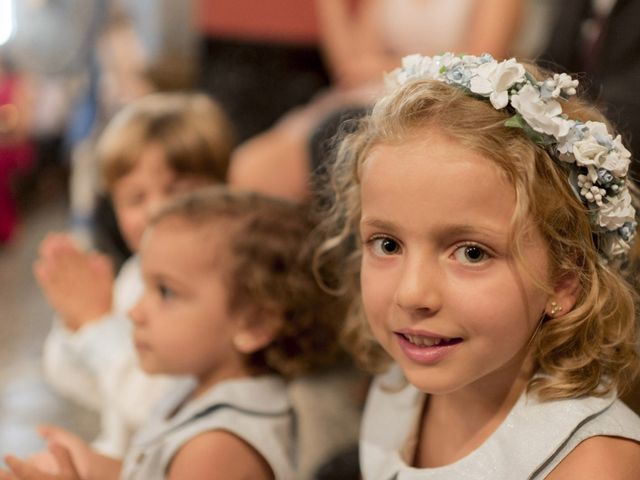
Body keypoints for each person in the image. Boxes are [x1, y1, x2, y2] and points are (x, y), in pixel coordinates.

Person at [315, 52, 640, 478]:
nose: (411, 294)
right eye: (388, 244)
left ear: (565, 280)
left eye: (471, 253)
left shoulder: (592, 465)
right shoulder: (399, 390)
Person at [3, 186, 345, 480]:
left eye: (166, 292)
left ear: (253, 324)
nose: (135, 311)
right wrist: (91, 466)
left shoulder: (217, 447)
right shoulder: (199, 387)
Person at [32, 92, 234, 460]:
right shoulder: (132, 276)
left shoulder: (213, 284)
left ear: (222, 190)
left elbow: (158, 407)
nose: (157, 209)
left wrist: (96, 322)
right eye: (136, 198)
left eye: (177, 190)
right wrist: (74, 318)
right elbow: (75, 382)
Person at [228, 0, 523, 202]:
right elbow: (350, 66)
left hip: (445, 101)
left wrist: (390, 67)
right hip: (368, 95)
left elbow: (484, 61)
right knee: (250, 168)